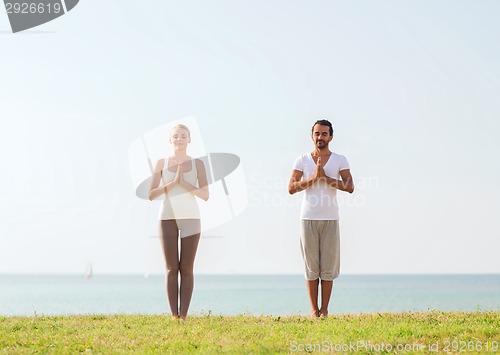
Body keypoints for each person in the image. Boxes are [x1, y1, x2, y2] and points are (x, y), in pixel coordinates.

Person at [288, 119, 354, 318]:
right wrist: (313, 178)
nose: (320, 137)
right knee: (311, 267)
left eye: (324, 134)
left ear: (331, 137)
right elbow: (291, 188)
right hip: (307, 219)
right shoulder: (302, 160)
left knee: (327, 267)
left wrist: (326, 178)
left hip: (331, 219)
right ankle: (314, 311)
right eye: (317, 133)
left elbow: (350, 187)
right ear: (312, 136)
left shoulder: (340, 160)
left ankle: (324, 310)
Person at [148, 124, 209, 320]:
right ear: (170, 140)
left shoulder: (198, 164)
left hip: (191, 218)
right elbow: (151, 194)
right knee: (171, 268)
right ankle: (174, 315)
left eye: (183, 136)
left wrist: (185, 184)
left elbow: (205, 195)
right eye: (176, 136)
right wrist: (172, 183)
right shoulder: (161, 163)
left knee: (187, 268)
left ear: (189, 140)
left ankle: (183, 315)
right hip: (167, 217)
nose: (179, 139)